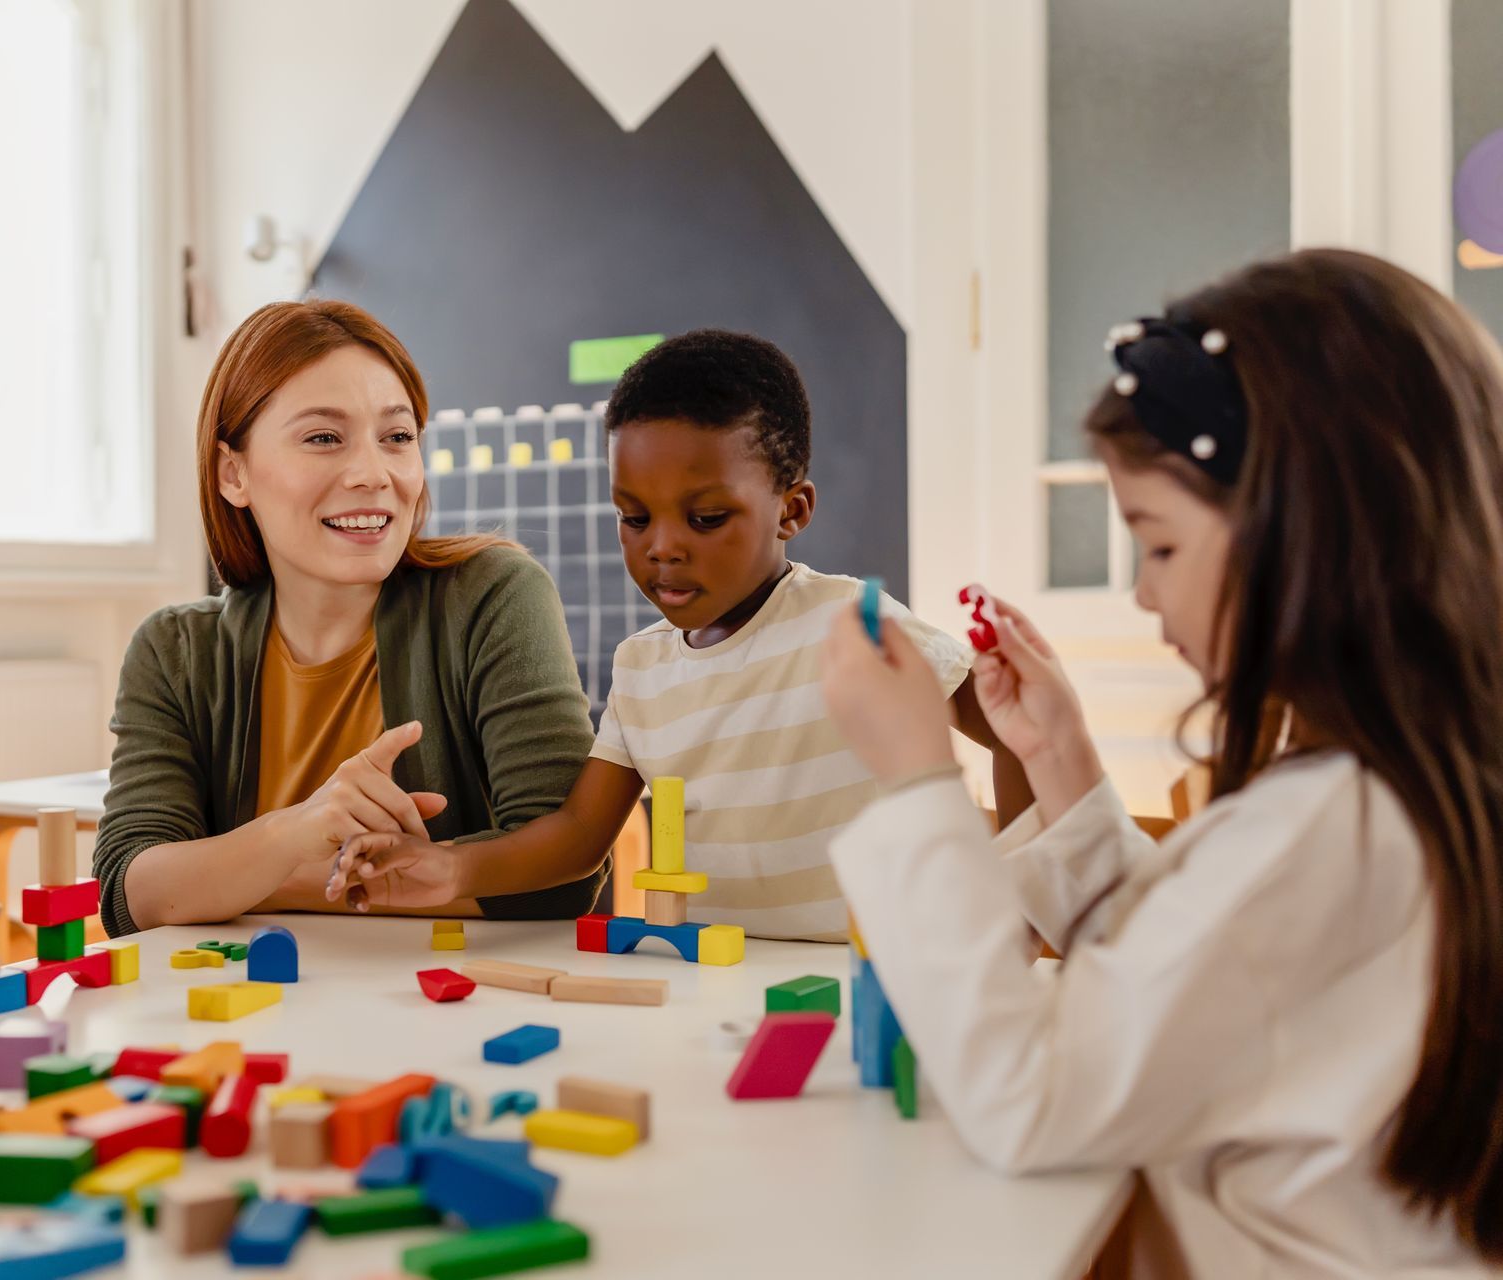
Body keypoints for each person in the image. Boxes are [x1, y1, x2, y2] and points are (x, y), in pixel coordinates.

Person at [823, 249, 1503, 1274]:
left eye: (1162, 545)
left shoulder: (1335, 819)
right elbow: (1218, 974)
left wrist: (919, 776)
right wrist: (1059, 757)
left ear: (1309, 532)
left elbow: (1029, 1093)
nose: (1143, 594)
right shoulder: (1408, 792)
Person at [332, 330, 1026, 942]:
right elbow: (578, 837)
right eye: (634, 519)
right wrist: (451, 867)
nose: (662, 548)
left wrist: (1023, 907)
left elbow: (1016, 732)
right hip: (717, 988)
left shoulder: (854, 627)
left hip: (874, 982)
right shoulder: (642, 668)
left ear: (792, 510)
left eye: (705, 518)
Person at [95, 300, 602, 932]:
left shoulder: (493, 596)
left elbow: (562, 874)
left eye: (397, 438)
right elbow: (128, 892)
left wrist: (239, 881)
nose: (373, 473)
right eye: (323, 438)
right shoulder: (174, 650)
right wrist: (295, 832)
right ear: (234, 473)